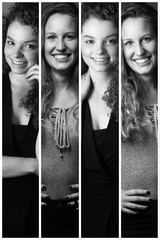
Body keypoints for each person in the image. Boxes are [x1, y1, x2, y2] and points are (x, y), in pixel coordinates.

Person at [41, 3, 79, 237]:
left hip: (81, 214)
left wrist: (97, 190)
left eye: (69, 36)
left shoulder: (93, 91)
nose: (60, 46)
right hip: (33, 214)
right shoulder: (28, 93)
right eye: (52, 37)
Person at [81, 3, 119, 237]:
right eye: (90, 40)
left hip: (130, 220)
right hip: (80, 220)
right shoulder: (65, 92)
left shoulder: (139, 92)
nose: (99, 50)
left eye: (110, 40)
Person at [2, 3, 39, 237]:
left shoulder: (57, 93)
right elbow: (45, 165)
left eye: (28, 45)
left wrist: (50, 91)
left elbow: (64, 161)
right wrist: (35, 166)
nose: (15, 54)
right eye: (10, 42)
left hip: (43, 214)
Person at [121, 3, 158, 237]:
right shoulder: (111, 97)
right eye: (129, 43)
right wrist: (108, 194)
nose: (139, 51)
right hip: (133, 220)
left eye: (146, 39)